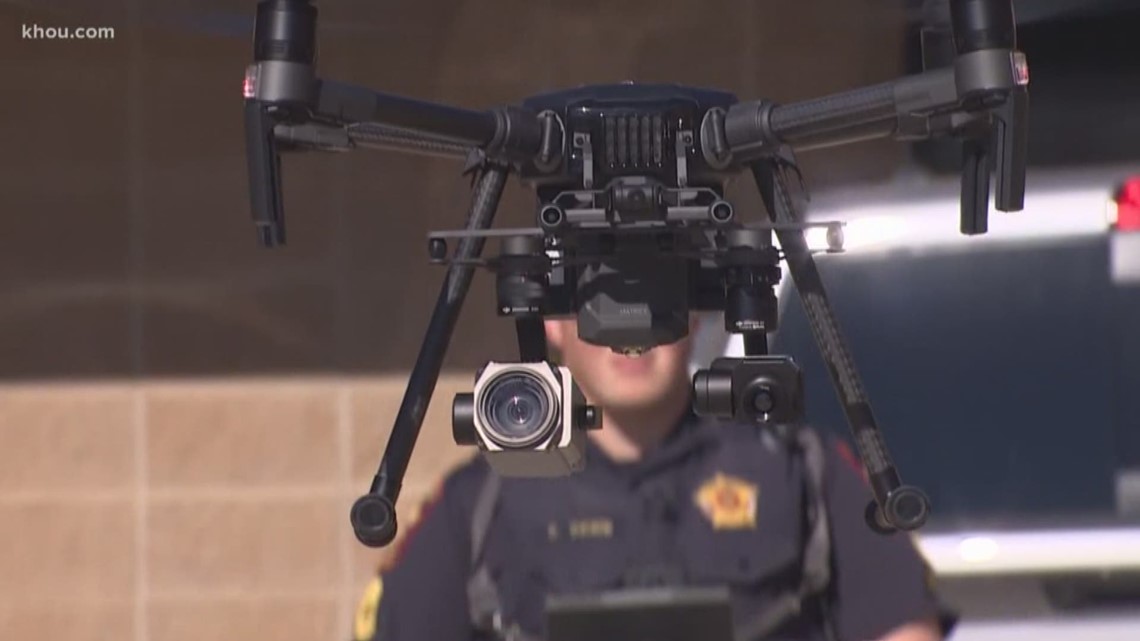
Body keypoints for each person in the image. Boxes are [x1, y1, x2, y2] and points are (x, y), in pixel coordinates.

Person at [351, 314, 956, 641]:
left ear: (694, 314)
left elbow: (904, 628)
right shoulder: (480, 502)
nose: (629, 330)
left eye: (651, 297)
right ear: (551, 321)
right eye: (600, 302)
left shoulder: (800, 470)